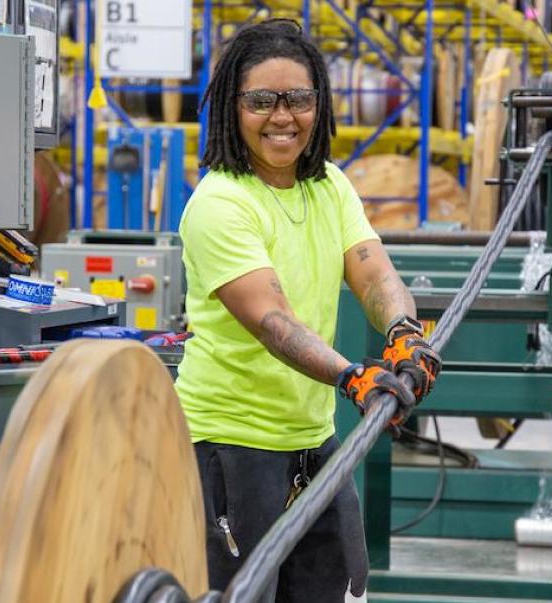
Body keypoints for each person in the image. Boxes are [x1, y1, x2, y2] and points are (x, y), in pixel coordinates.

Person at [175, 19, 442, 602]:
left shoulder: (330, 187)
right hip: (232, 447)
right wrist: (353, 376)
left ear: (317, 104)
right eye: (261, 101)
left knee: (339, 587)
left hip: (312, 441)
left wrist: (404, 332)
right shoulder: (219, 204)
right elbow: (274, 321)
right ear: (231, 108)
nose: (281, 116)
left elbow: (374, 273)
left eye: (297, 98)